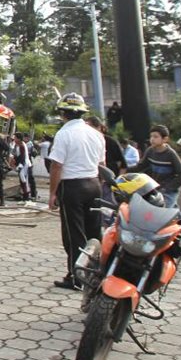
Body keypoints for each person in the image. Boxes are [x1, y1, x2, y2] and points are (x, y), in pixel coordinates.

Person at [47, 93, 104, 290]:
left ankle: (77, 277)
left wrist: (53, 193)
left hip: (72, 187)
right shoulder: (96, 134)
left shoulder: (64, 134)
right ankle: (96, 273)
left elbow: (56, 166)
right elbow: (102, 165)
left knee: (74, 234)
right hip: (94, 184)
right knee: (94, 233)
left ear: (62, 113)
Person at [130, 126, 181, 208]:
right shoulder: (150, 151)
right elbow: (140, 166)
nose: (152, 139)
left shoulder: (171, 154)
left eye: (155, 137)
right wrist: (124, 171)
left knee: (163, 211)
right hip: (155, 188)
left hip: (169, 191)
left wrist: (167, 188)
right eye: (151, 136)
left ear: (165, 139)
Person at [11, 133, 32, 202]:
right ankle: (25, 197)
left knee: (24, 181)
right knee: (22, 181)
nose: (14, 139)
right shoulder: (18, 145)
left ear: (19, 139)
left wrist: (20, 165)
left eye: (15, 138)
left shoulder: (22, 145)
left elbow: (23, 156)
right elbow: (17, 155)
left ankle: (26, 198)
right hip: (22, 164)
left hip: (24, 165)